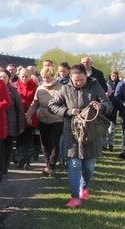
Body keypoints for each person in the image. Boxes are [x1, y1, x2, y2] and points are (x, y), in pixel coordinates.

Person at [49, 64, 112, 208]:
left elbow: (108, 105)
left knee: (89, 166)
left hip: (91, 132)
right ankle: (74, 197)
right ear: (71, 77)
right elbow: (52, 105)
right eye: (76, 80)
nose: (79, 83)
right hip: (72, 133)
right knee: (74, 165)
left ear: (86, 76)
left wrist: (100, 106)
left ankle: (84, 188)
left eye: (81, 80)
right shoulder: (65, 89)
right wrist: (69, 111)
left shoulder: (95, 86)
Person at [26, 67, 64, 176]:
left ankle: (51, 165)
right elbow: (35, 103)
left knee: (54, 141)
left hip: (57, 119)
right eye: (44, 77)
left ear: (53, 76)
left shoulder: (61, 88)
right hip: (43, 119)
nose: (46, 79)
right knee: (45, 143)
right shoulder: (40, 88)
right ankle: (48, 163)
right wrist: (29, 115)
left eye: (48, 77)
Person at [0, 69, 24, 173]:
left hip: (10, 124)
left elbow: (19, 109)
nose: (2, 79)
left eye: (4, 77)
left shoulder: (13, 91)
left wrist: (21, 126)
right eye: (0, 76)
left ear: (9, 78)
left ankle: (4, 167)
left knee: (7, 148)